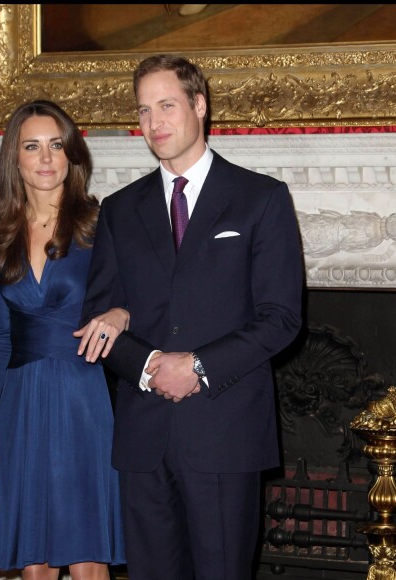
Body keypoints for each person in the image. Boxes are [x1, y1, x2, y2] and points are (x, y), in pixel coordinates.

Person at [74, 55, 304, 580]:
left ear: (199, 106)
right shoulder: (119, 208)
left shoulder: (260, 199)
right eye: (143, 110)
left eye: (167, 105)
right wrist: (151, 362)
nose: (154, 122)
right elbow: (97, 317)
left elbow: (282, 318)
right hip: (142, 438)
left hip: (225, 434)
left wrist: (197, 366)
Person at [0, 99, 126, 580]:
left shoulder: (102, 226)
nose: (45, 158)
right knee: (33, 562)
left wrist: (121, 314)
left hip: (83, 397)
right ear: (14, 159)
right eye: (32, 146)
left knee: (86, 559)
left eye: (56, 146)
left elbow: (139, 300)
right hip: (20, 403)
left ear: (71, 154)